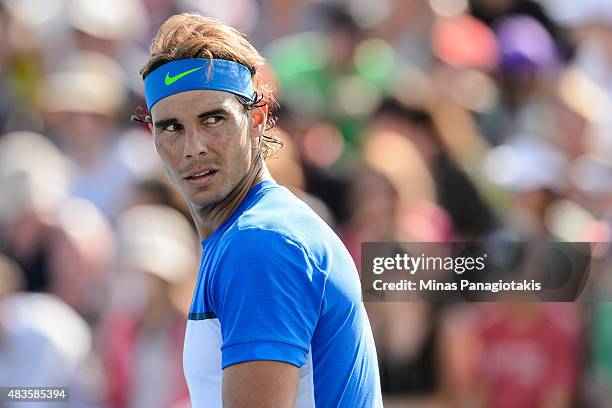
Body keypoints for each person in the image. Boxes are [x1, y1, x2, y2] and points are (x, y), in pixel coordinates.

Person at [134, 13, 383, 408]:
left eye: (212, 119)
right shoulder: (253, 234)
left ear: (257, 118)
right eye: (171, 127)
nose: (192, 146)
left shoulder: (260, 243)